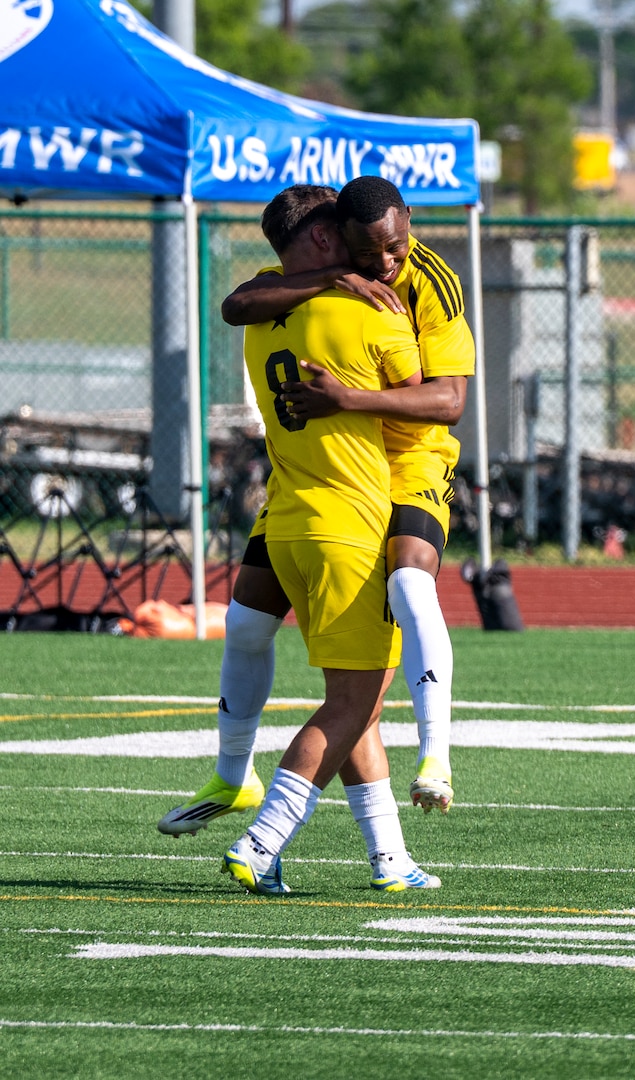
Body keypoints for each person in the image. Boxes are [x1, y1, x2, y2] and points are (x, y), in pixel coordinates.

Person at [157, 176, 473, 846]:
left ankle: (436, 757)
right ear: (337, 237)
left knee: (397, 608)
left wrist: (349, 400)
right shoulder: (305, 277)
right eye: (370, 251)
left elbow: (447, 402)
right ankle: (244, 782)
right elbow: (237, 303)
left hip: (407, 461)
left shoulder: (427, 281)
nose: (386, 263)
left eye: (395, 248)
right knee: (246, 624)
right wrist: (332, 279)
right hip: (313, 482)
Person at [215, 184, 440, 894]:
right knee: (353, 703)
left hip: (287, 526)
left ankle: (390, 861)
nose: (364, 252)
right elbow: (438, 400)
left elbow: (240, 301)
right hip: (350, 525)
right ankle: (261, 841)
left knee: (353, 702)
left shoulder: (266, 312)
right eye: (342, 237)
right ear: (318, 239)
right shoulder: (367, 307)